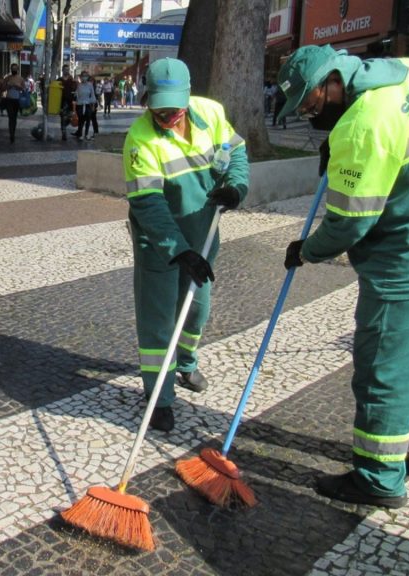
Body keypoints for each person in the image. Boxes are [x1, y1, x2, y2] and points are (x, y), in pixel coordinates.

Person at [276, 44, 409, 509]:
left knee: (384, 366)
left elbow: (350, 222)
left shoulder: (362, 127)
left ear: (332, 84)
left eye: (310, 105)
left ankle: (378, 476)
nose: (310, 116)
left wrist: (306, 250)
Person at [123, 58, 249, 432]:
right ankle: (159, 394)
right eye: (158, 110)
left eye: (174, 110)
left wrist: (236, 187)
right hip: (158, 242)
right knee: (158, 318)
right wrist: (178, 250)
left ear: (188, 97)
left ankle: (187, 362)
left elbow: (237, 154)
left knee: (196, 309)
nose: (167, 117)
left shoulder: (211, 114)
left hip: (202, 232)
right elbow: (148, 205)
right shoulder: (139, 141)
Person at [2, 63, 26, 144]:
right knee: (10, 117)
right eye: (13, 69)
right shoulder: (7, 78)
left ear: (18, 70)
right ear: (10, 69)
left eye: (15, 69)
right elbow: (2, 88)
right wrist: (8, 86)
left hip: (17, 100)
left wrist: (18, 87)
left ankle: (13, 132)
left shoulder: (21, 79)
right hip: (9, 100)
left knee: (14, 118)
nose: (14, 70)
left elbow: (24, 90)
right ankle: (11, 134)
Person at [74, 71, 97, 141]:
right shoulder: (79, 85)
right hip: (80, 105)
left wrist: (93, 105)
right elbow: (76, 95)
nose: (84, 77)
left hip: (88, 105)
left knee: (88, 120)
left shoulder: (90, 85)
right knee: (81, 120)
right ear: (81, 77)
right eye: (83, 76)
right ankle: (80, 134)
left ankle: (86, 134)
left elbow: (93, 95)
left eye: (86, 76)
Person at [57, 65, 77, 141]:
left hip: (70, 102)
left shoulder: (71, 79)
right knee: (62, 117)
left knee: (69, 117)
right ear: (62, 70)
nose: (66, 71)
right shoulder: (59, 80)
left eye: (68, 69)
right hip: (61, 102)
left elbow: (75, 89)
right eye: (65, 69)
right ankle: (63, 133)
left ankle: (64, 127)